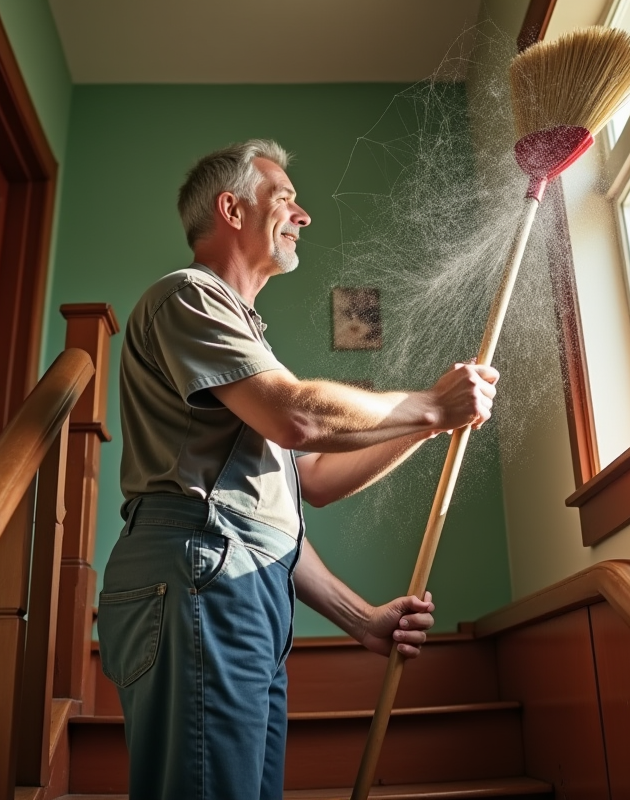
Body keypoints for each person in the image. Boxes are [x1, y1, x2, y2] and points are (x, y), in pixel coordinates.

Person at [98, 139, 499, 800]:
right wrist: (426, 405)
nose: (302, 214)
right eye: (284, 197)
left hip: (241, 584)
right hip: (200, 581)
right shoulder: (189, 296)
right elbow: (299, 418)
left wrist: (361, 618)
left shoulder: (246, 337)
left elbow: (302, 485)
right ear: (231, 209)